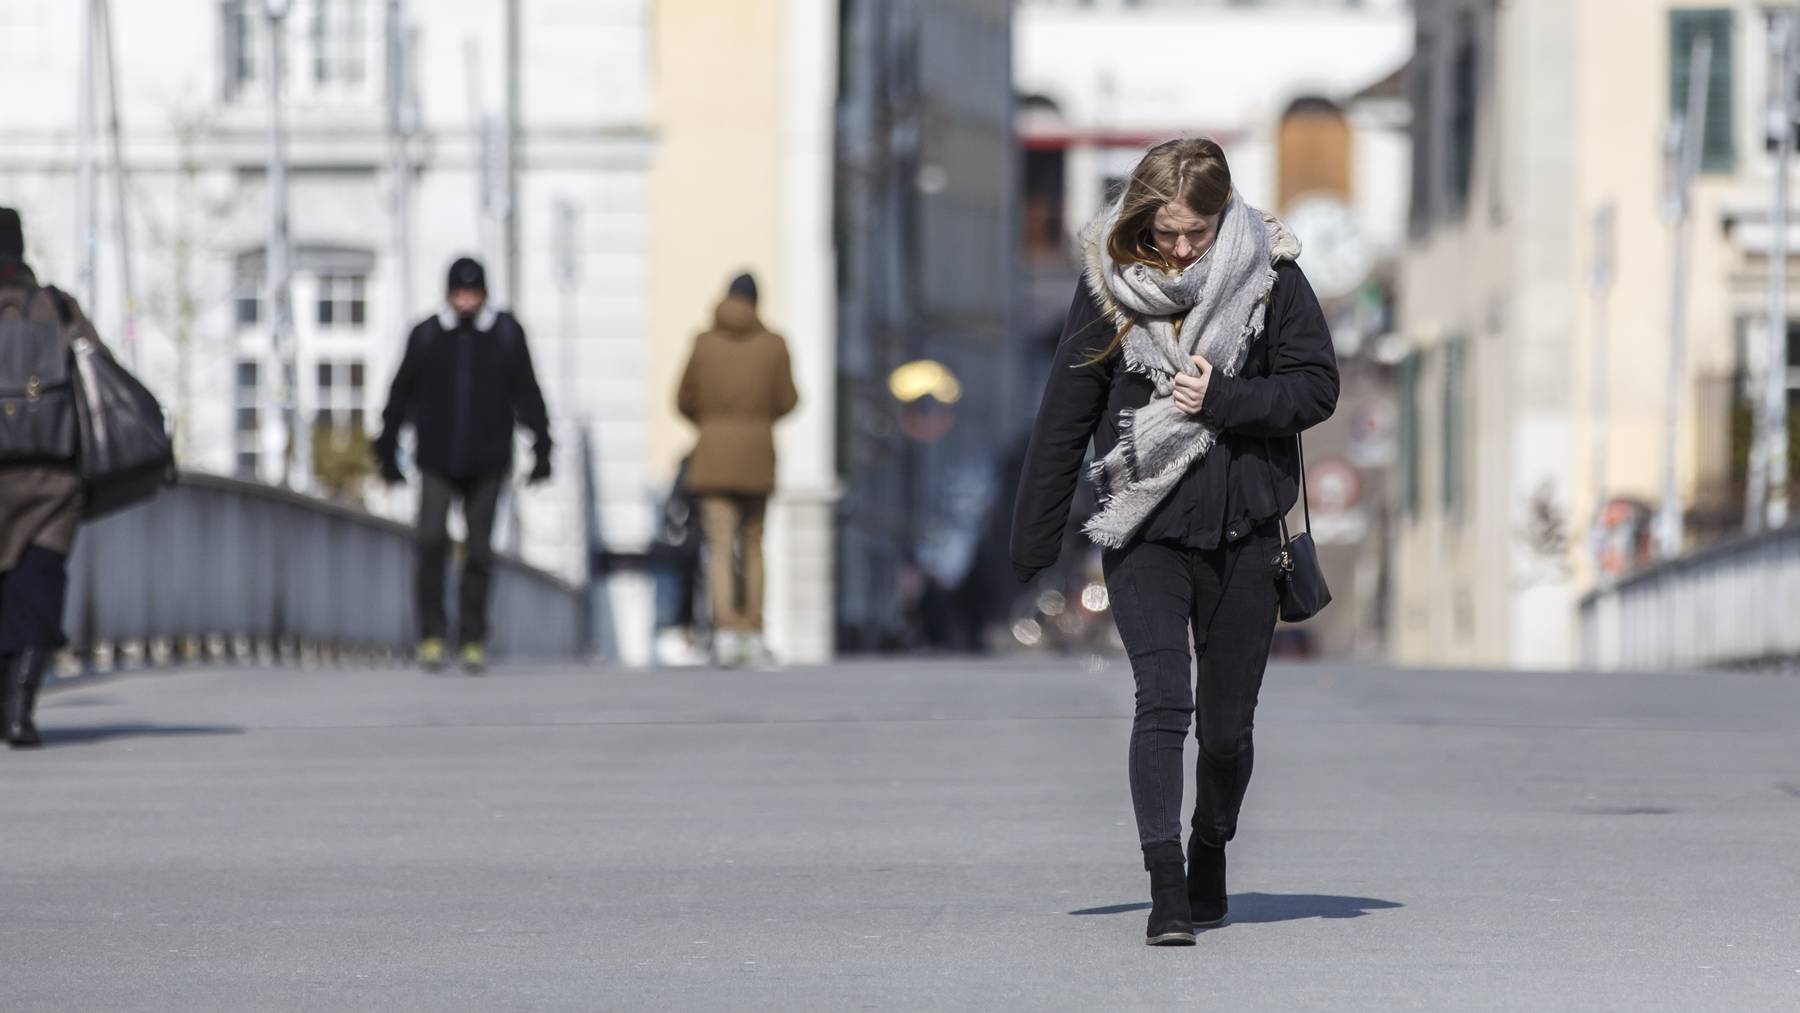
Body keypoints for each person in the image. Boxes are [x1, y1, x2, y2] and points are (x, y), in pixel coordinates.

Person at [1010, 139, 1339, 945]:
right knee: (1162, 701)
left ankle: (1210, 846)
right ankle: (1165, 886)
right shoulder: (1110, 291)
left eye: (1196, 231)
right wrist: (1034, 539)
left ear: (1223, 215)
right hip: (1146, 531)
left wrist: (1224, 397)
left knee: (1227, 733)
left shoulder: (1271, 277)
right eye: (1165, 232)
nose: (1181, 248)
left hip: (1245, 535)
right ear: (1139, 221)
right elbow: (1066, 415)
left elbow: (1316, 386)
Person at [373, 257, 553, 674]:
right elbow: (400, 394)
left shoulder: (505, 334)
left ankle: (472, 638)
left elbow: (527, 393)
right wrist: (387, 450)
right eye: (460, 293)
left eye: (473, 293)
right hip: (436, 459)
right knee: (431, 541)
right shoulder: (428, 335)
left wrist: (542, 447)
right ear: (449, 294)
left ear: (484, 293)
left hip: (488, 462)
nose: (467, 301)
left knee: (478, 552)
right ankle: (432, 634)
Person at [0, 208, 105, 747]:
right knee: (36, 588)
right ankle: (19, 708)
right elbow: (97, 380)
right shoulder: (57, 307)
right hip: (51, 477)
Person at [676, 272, 798, 668]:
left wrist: (711, 423)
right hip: (758, 457)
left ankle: (725, 631)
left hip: (712, 457)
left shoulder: (704, 343)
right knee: (755, 545)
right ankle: (753, 630)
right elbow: (788, 399)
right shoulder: (774, 346)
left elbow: (683, 399)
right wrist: (757, 420)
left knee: (720, 547)